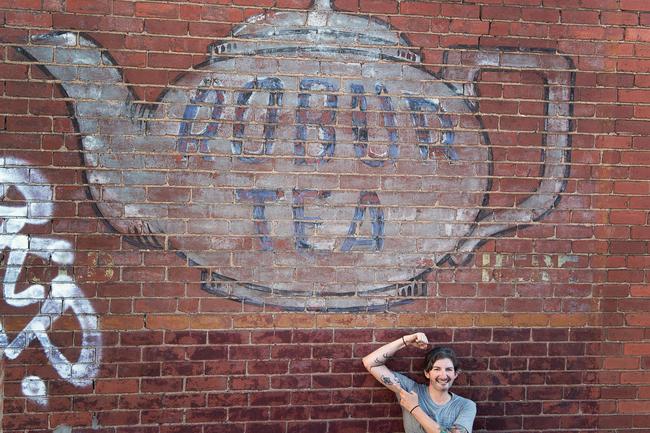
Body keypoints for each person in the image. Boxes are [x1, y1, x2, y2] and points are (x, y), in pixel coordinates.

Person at [362, 332, 476, 433]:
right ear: (427, 373)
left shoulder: (465, 406)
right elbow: (369, 362)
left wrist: (414, 408)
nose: (443, 375)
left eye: (449, 369)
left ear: (455, 374)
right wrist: (406, 340)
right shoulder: (410, 390)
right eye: (437, 369)